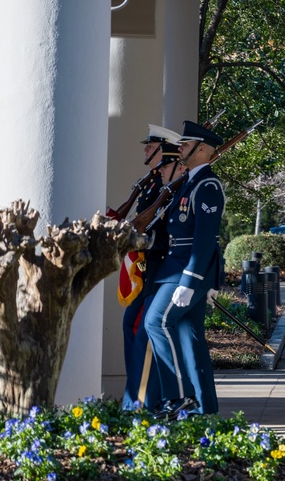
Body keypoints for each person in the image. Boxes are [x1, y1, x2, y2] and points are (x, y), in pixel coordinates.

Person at [143, 120, 225, 418]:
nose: (180, 149)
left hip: (188, 271)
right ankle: (205, 408)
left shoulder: (208, 185)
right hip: (176, 268)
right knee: (191, 339)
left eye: (186, 145)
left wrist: (190, 280)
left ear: (201, 149)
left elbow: (204, 240)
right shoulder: (189, 182)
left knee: (156, 322)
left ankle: (179, 397)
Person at [122, 125, 183, 411]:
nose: (145, 151)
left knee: (144, 333)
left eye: (151, 147)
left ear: (166, 154)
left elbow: (172, 236)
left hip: (165, 274)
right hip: (150, 272)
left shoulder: (175, 189)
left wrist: (144, 241)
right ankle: (135, 395)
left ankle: (143, 403)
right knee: (131, 327)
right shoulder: (154, 185)